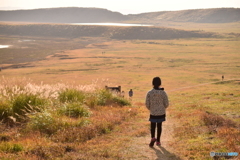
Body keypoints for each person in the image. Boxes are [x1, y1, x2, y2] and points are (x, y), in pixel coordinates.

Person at [145, 77, 169, 147]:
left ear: (152, 83)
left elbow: (147, 103)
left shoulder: (149, 93)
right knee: (159, 126)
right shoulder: (163, 92)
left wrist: (151, 108)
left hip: (153, 112)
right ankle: (158, 141)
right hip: (161, 112)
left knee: (152, 126)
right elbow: (166, 103)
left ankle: (153, 138)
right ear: (160, 83)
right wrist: (163, 108)